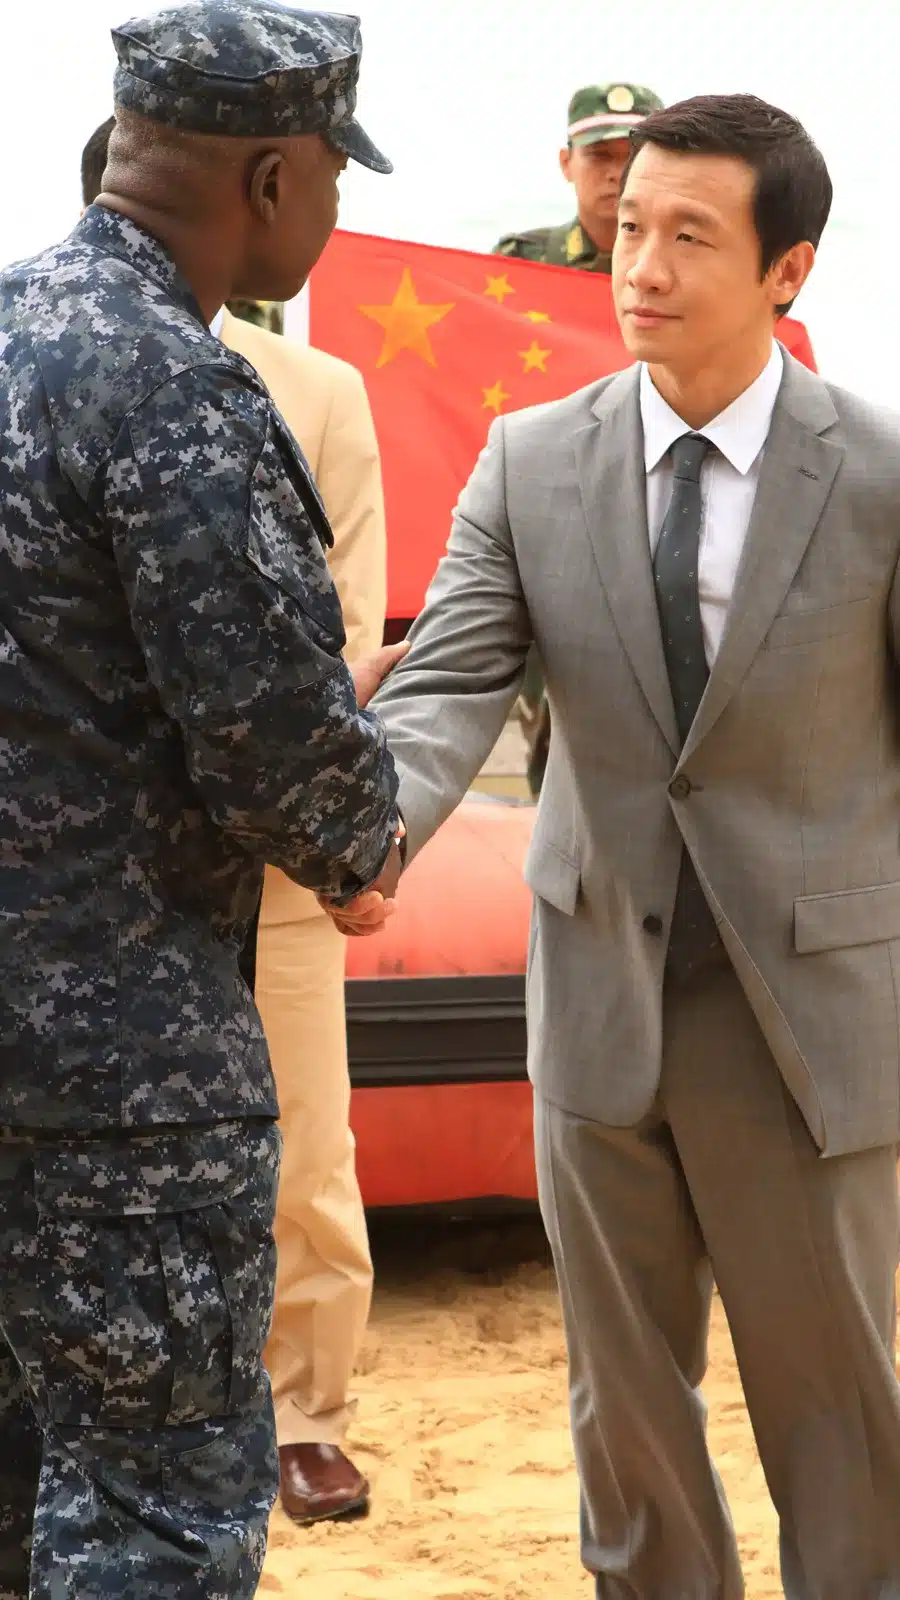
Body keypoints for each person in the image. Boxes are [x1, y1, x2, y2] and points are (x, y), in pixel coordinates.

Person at [356, 93, 900, 1596]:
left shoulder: (878, 474)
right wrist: (369, 836)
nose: (641, 266)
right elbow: (450, 683)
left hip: (809, 1018)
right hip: (596, 991)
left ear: (788, 270)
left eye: (690, 237)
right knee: (625, 1410)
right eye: (631, 227)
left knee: (839, 1407)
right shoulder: (529, 459)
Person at [0, 3, 404, 1596]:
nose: (334, 204)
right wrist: (361, 838)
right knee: (149, 1514)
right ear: (270, 177)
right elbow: (275, 736)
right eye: (333, 172)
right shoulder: (180, 386)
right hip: (125, 1088)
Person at [81, 120, 387, 1525]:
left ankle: (306, 1416)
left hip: (270, 855)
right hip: (97, 872)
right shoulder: (59, 367)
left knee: (306, 1147)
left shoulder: (316, 391)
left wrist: (336, 824)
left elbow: (346, 625)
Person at [495, 82, 663, 797]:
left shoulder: (686, 269)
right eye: (600, 156)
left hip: (664, 517)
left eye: (634, 154)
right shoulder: (516, 268)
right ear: (567, 163)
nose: (617, 173)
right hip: (555, 526)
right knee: (558, 734)